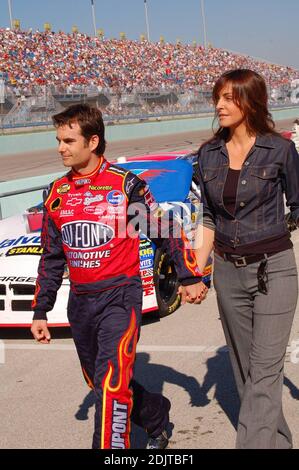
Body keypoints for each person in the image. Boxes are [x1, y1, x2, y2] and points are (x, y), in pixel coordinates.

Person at [30, 103, 207, 450]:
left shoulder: (126, 186)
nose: (60, 148)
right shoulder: (54, 194)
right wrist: (40, 310)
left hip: (120, 297)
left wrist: (189, 277)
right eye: (58, 140)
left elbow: (164, 231)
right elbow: (50, 259)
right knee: (102, 382)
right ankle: (156, 414)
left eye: (68, 140)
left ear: (93, 141)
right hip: (80, 303)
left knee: (111, 384)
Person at [192, 69, 299, 449]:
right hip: (227, 273)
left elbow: (298, 205)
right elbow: (207, 216)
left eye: (228, 98)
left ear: (250, 101)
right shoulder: (206, 155)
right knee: (247, 373)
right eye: (217, 97)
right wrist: (195, 272)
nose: (218, 105)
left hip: (275, 269)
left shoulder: (281, 150)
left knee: (266, 373)